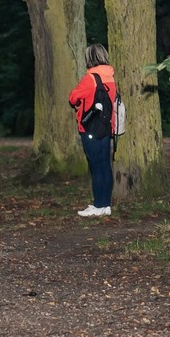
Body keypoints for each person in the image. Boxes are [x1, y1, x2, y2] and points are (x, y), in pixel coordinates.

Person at [68, 44, 117, 218]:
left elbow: (73, 97)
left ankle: (97, 205)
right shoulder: (110, 77)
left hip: (90, 128)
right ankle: (105, 205)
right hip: (107, 127)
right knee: (105, 166)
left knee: (96, 167)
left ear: (90, 58)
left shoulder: (90, 78)